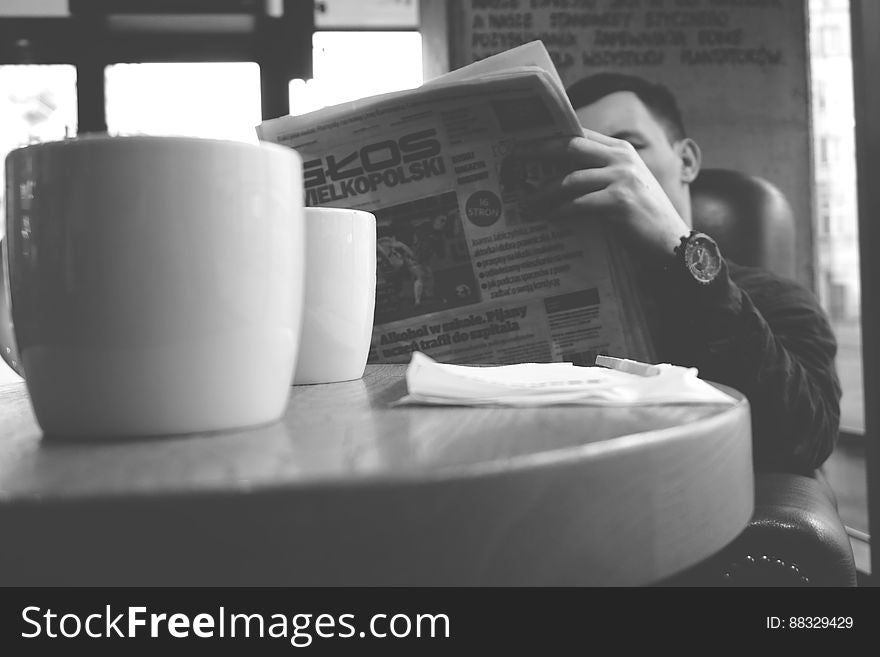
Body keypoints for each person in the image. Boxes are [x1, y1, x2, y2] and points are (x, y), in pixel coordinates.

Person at [525, 72, 840, 475]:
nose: (602, 167)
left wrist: (679, 246)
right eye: (583, 157)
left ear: (686, 161)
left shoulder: (774, 297)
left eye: (627, 147)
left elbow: (805, 438)